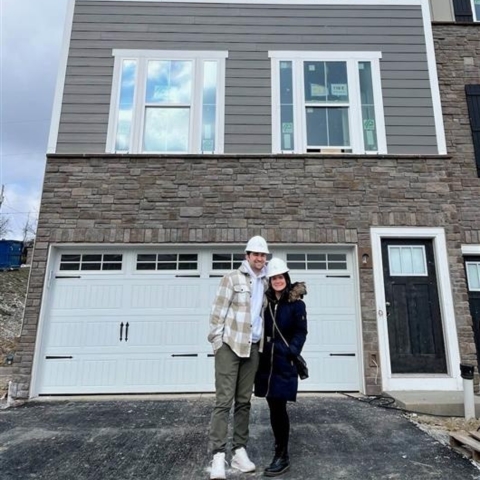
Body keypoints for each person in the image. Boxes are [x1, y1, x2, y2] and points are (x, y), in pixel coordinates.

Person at [207, 235, 270, 480]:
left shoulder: (266, 282)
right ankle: (218, 455)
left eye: (263, 255)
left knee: (244, 401)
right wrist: (217, 342)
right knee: (224, 401)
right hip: (230, 346)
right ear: (247, 255)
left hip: (253, 347)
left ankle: (239, 451)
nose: (259, 258)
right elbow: (217, 312)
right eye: (255, 254)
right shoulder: (231, 279)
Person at [254, 258, 308, 477]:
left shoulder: (296, 304)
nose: (277, 281)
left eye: (280, 277)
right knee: (272, 406)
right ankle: (280, 448)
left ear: (286, 278)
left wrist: (291, 351)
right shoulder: (264, 301)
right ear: (270, 280)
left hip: (284, 361)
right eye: (273, 277)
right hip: (266, 361)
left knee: (279, 407)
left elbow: (300, 332)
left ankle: (282, 454)